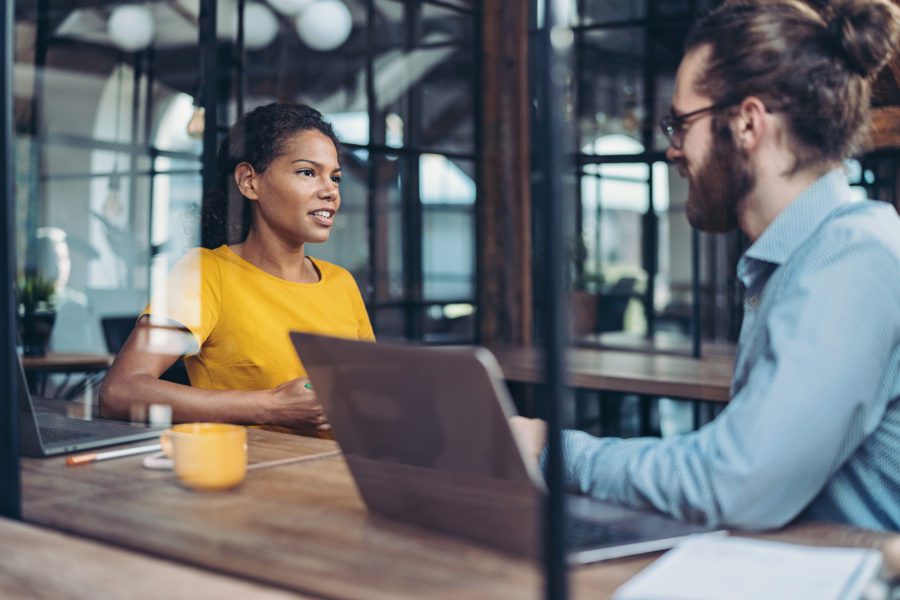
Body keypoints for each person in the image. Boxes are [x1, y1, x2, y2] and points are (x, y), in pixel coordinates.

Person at [513, 0, 900, 530]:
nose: (672, 150)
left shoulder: (855, 258)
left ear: (747, 123)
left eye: (681, 123)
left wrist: (552, 451)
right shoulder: (800, 258)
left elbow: (734, 483)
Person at [100, 103, 374, 431]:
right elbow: (120, 391)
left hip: (346, 474)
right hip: (251, 473)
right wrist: (271, 406)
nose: (330, 191)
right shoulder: (205, 273)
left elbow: (370, 394)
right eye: (307, 172)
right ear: (249, 181)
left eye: (335, 177)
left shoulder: (341, 283)